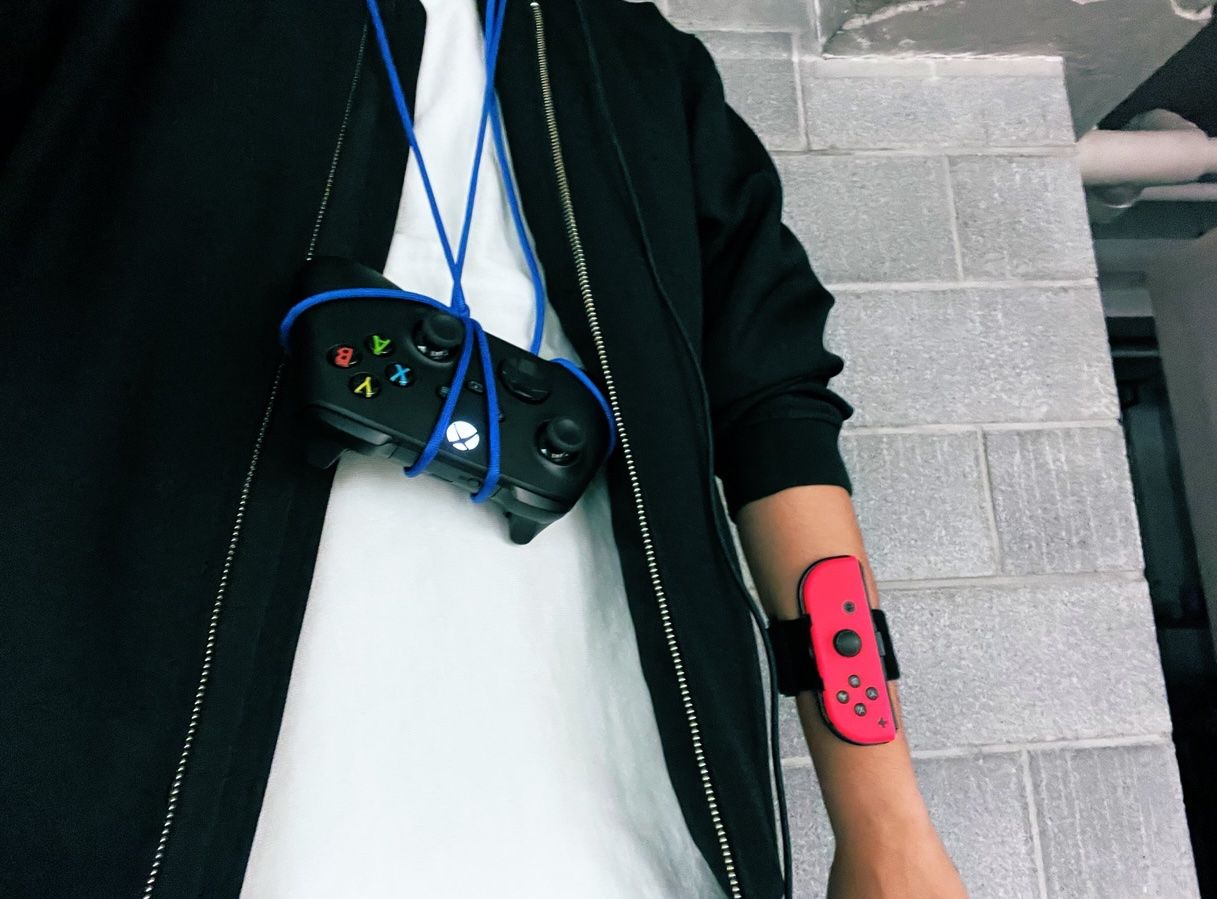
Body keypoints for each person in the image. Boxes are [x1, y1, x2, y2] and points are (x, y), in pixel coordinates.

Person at [0, 1, 967, 897]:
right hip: (143, 818)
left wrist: (884, 823)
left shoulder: (643, 65)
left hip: (634, 848)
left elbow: (776, 412)